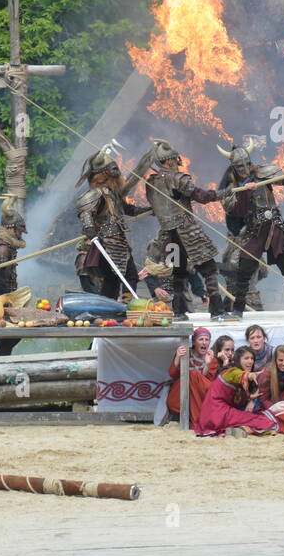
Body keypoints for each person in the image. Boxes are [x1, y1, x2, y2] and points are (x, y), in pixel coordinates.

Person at [216, 140, 284, 320]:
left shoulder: (262, 173)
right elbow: (235, 211)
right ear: (234, 167)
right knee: (244, 269)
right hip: (254, 230)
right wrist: (244, 192)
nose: (244, 168)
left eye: (246, 164)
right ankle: (238, 310)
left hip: (275, 228)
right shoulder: (232, 187)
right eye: (239, 166)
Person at [144, 139, 228, 321]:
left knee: (178, 272)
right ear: (170, 160)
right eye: (175, 159)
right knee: (209, 269)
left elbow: (156, 205)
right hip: (187, 233)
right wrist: (223, 193)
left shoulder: (151, 183)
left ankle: (180, 311)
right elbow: (203, 196)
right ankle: (217, 311)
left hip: (168, 236)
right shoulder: (178, 178)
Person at [75, 143, 151, 301]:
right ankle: (107, 310)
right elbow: (85, 211)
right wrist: (90, 230)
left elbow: (128, 209)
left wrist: (150, 211)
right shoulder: (95, 194)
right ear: (103, 175)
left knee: (130, 277)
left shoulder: (113, 194)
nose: (118, 177)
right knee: (112, 281)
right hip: (106, 243)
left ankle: (126, 305)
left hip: (120, 243)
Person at [0, 193, 27, 357]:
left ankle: (0, 358)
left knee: (10, 335)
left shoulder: (6, 245)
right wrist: (7, 300)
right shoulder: (2, 248)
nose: (20, 235)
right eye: (19, 231)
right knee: (15, 331)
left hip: (3, 296)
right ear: (11, 228)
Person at [194, 366, 279, 437]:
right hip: (218, 413)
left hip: (212, 415)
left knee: (248, 416)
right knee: (259, 420)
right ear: (238, 360)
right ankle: (243, 429)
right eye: (246, 358)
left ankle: (237, 430)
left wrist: (250, 397)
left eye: (252, 359)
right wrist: (250, 375)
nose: (250, 362)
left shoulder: (240, 383)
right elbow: (238, 375)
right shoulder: (230, 372)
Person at [166, 327, 216, 425]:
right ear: (193, 342)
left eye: (207, 340)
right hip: (182, 394)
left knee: (193, 374)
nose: (204, 343)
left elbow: (207, 383)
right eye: (201, 339)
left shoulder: (212, 359)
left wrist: (207, 364)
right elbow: (172, 374)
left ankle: (197, 420)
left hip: (202, 396)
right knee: (191, 375)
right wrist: (177, 357)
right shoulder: (185, 354)